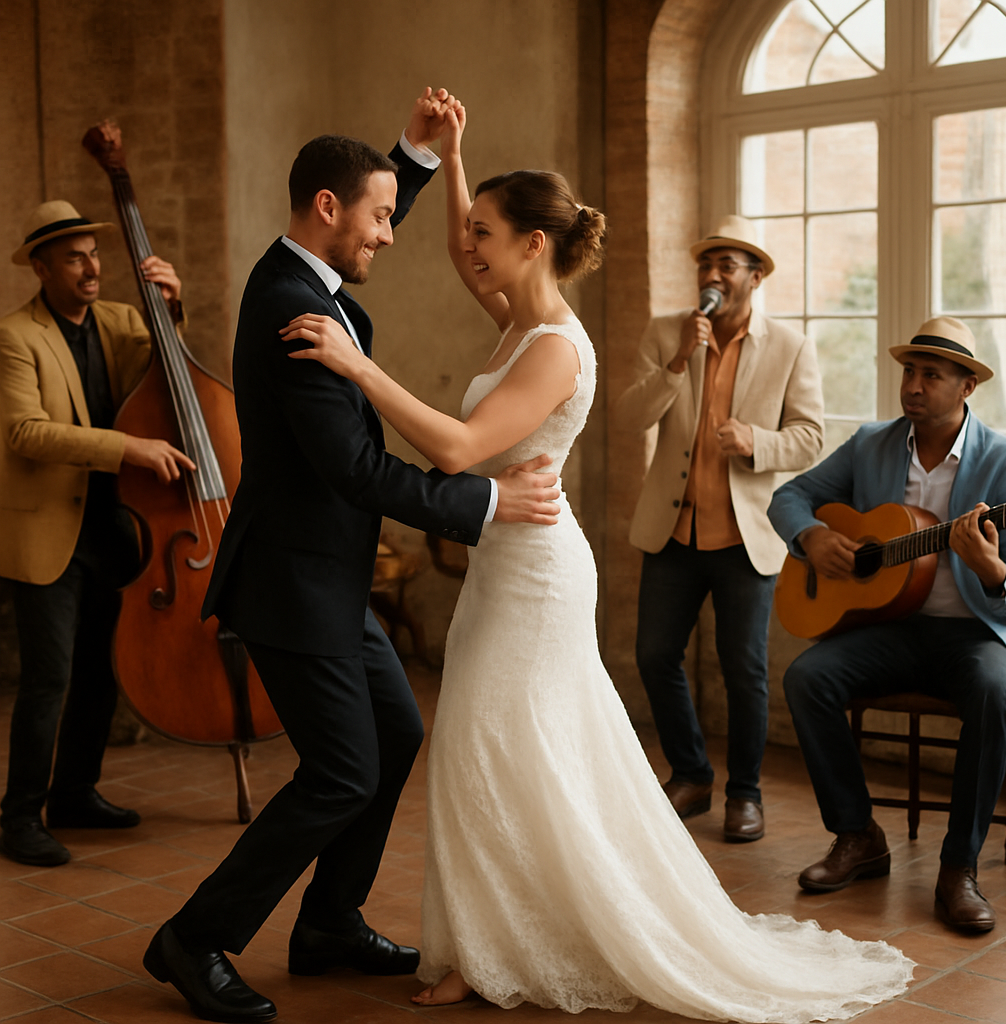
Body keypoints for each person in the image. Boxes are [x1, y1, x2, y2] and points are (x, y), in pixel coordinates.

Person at [283, 104, 913, 1022]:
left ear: (533, 245)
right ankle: (476, 946)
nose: (470, 248)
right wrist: (454, 155)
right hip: (505, 558)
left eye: (486, 234)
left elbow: (458, 451)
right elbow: (465, 257)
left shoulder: (555, 350)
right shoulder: (513, 314)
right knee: (479, 750)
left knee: (494, 748)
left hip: (536, 573)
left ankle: (497, 951)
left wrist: (357, 367)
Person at [144, 89, 561, 1024]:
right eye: (378, 216)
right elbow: (360, 470)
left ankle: (329, 922)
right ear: (326, 210)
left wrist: (412, 157)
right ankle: (194, 938)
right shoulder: (298, 312)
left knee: (396, 737)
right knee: (340, 773)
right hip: (293, 586)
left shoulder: (305, 273)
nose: (390, 233)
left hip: (328, 584)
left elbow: (360, 205)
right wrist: (489, 499)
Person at [769, 316, 1006, 935]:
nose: (914, 384)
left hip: (977, 633)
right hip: (893, 627)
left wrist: (993, 571)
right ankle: (858, 835)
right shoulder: (871, 443)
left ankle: (957, 869)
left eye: (931, 374)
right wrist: (814, 536)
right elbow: (789, 498)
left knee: (994, 692)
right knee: (808, 678)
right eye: (909, 371)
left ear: (966, 387)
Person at [616, 216, 824, 841]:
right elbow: (630, 414)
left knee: (744, 672)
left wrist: (755, 441)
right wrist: (679, 358)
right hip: (673, 534)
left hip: (744, 539)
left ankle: (745, 793)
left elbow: (811, 436)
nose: (712, 275)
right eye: (706, 264)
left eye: (727, 265)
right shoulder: (666, 332)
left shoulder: (790, 346)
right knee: (654, 656)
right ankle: (690, 772)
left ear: (754, 277)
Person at [0, 201, 194, 868]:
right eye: (75, 256)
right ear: (41, 266)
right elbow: (25, 432)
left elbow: (169, 374)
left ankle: (75, 793)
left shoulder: (119, 320)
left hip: (114, 525)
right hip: (47, 532)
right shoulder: (14, 336)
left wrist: (170, 308)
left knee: (98, 672)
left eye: (94, 253)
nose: (91, 267)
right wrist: (127, 449)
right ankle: (18, 815)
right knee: (49, 678)